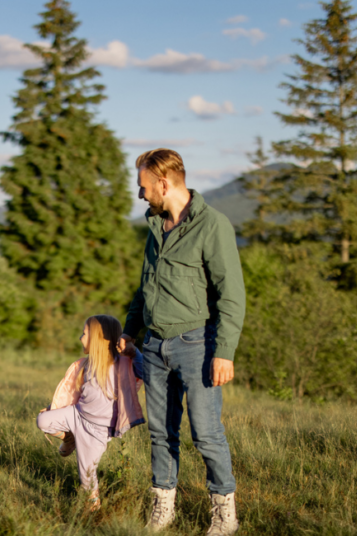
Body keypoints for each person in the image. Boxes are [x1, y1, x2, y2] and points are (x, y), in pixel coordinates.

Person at [117, 149, 245, 535]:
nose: (141, 195)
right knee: (161, 434)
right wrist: (130, 331)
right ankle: (163, 507)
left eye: (143, 187)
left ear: (163, 183)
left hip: (197, 345)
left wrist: (224, 352)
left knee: (205, 433)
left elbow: (232, 294)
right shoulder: (155, 226)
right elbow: (145, 286)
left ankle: (225, 513)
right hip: (154, 347)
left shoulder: (212, 225)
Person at [37, 315, 145, 512]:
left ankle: (92, 509)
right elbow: (73, 392)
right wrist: (54, 409)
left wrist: (135, 353)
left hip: (97, 429)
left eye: (84, 334)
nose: (80, 338)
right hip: (77, 414)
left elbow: (145, 371)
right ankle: (70, 438)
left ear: (98, 339)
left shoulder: (123, 364)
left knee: (86, 473)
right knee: (43, 420)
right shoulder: (86, 364)